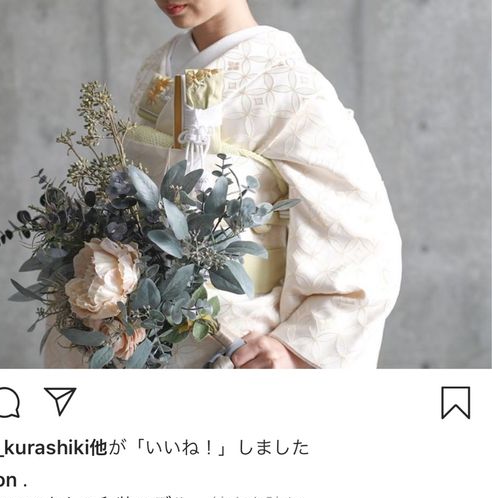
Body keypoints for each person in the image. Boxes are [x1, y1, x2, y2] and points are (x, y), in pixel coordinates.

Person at [121, 0, 402, 369]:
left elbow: (361, 243)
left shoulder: (290, 85)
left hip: (235, 343)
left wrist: (294, 351)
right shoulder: (154, 70)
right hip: (138, 333)